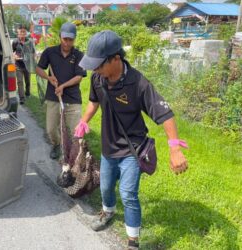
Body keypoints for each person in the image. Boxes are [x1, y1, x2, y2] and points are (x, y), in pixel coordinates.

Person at [74, 30, 189, 250]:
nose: (95, 70)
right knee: (106, 188)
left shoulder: (139, 83)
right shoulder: (98, 78)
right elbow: (93, 101)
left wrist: (174, 148)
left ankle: (133, 241)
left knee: (128, 194)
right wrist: (84, 121)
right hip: (108, 148)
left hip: (132, 151)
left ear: (116, 58)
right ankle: (107, 212)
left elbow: (165, 114)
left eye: (99, 64)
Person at [36, 22, 86, 160]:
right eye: (65, 39)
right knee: (51, 129)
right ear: (60, 37)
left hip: (73, 98)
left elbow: (79, 77)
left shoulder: (79, 55)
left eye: (70, 39)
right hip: (53, 97)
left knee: (75, 130)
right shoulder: (49, 52)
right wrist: (49, 77)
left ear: (74, 39)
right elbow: (38, 69)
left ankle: (75, 153)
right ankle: (57, 144)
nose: (67, 43)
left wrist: (63, 86)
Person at [12, 24, 35, 104]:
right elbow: (12, 52)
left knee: (27, 81)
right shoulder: (15, 42)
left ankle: (28, 93)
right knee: (19, 82)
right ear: (18, 33)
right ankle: (22, 98)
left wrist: (30, 58)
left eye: (23, 32)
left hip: (27, 65)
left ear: (25, 33)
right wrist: (14, 57)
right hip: (18, 65)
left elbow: (33, 53)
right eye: (20, 32)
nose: (22, 33)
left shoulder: (29, 42)